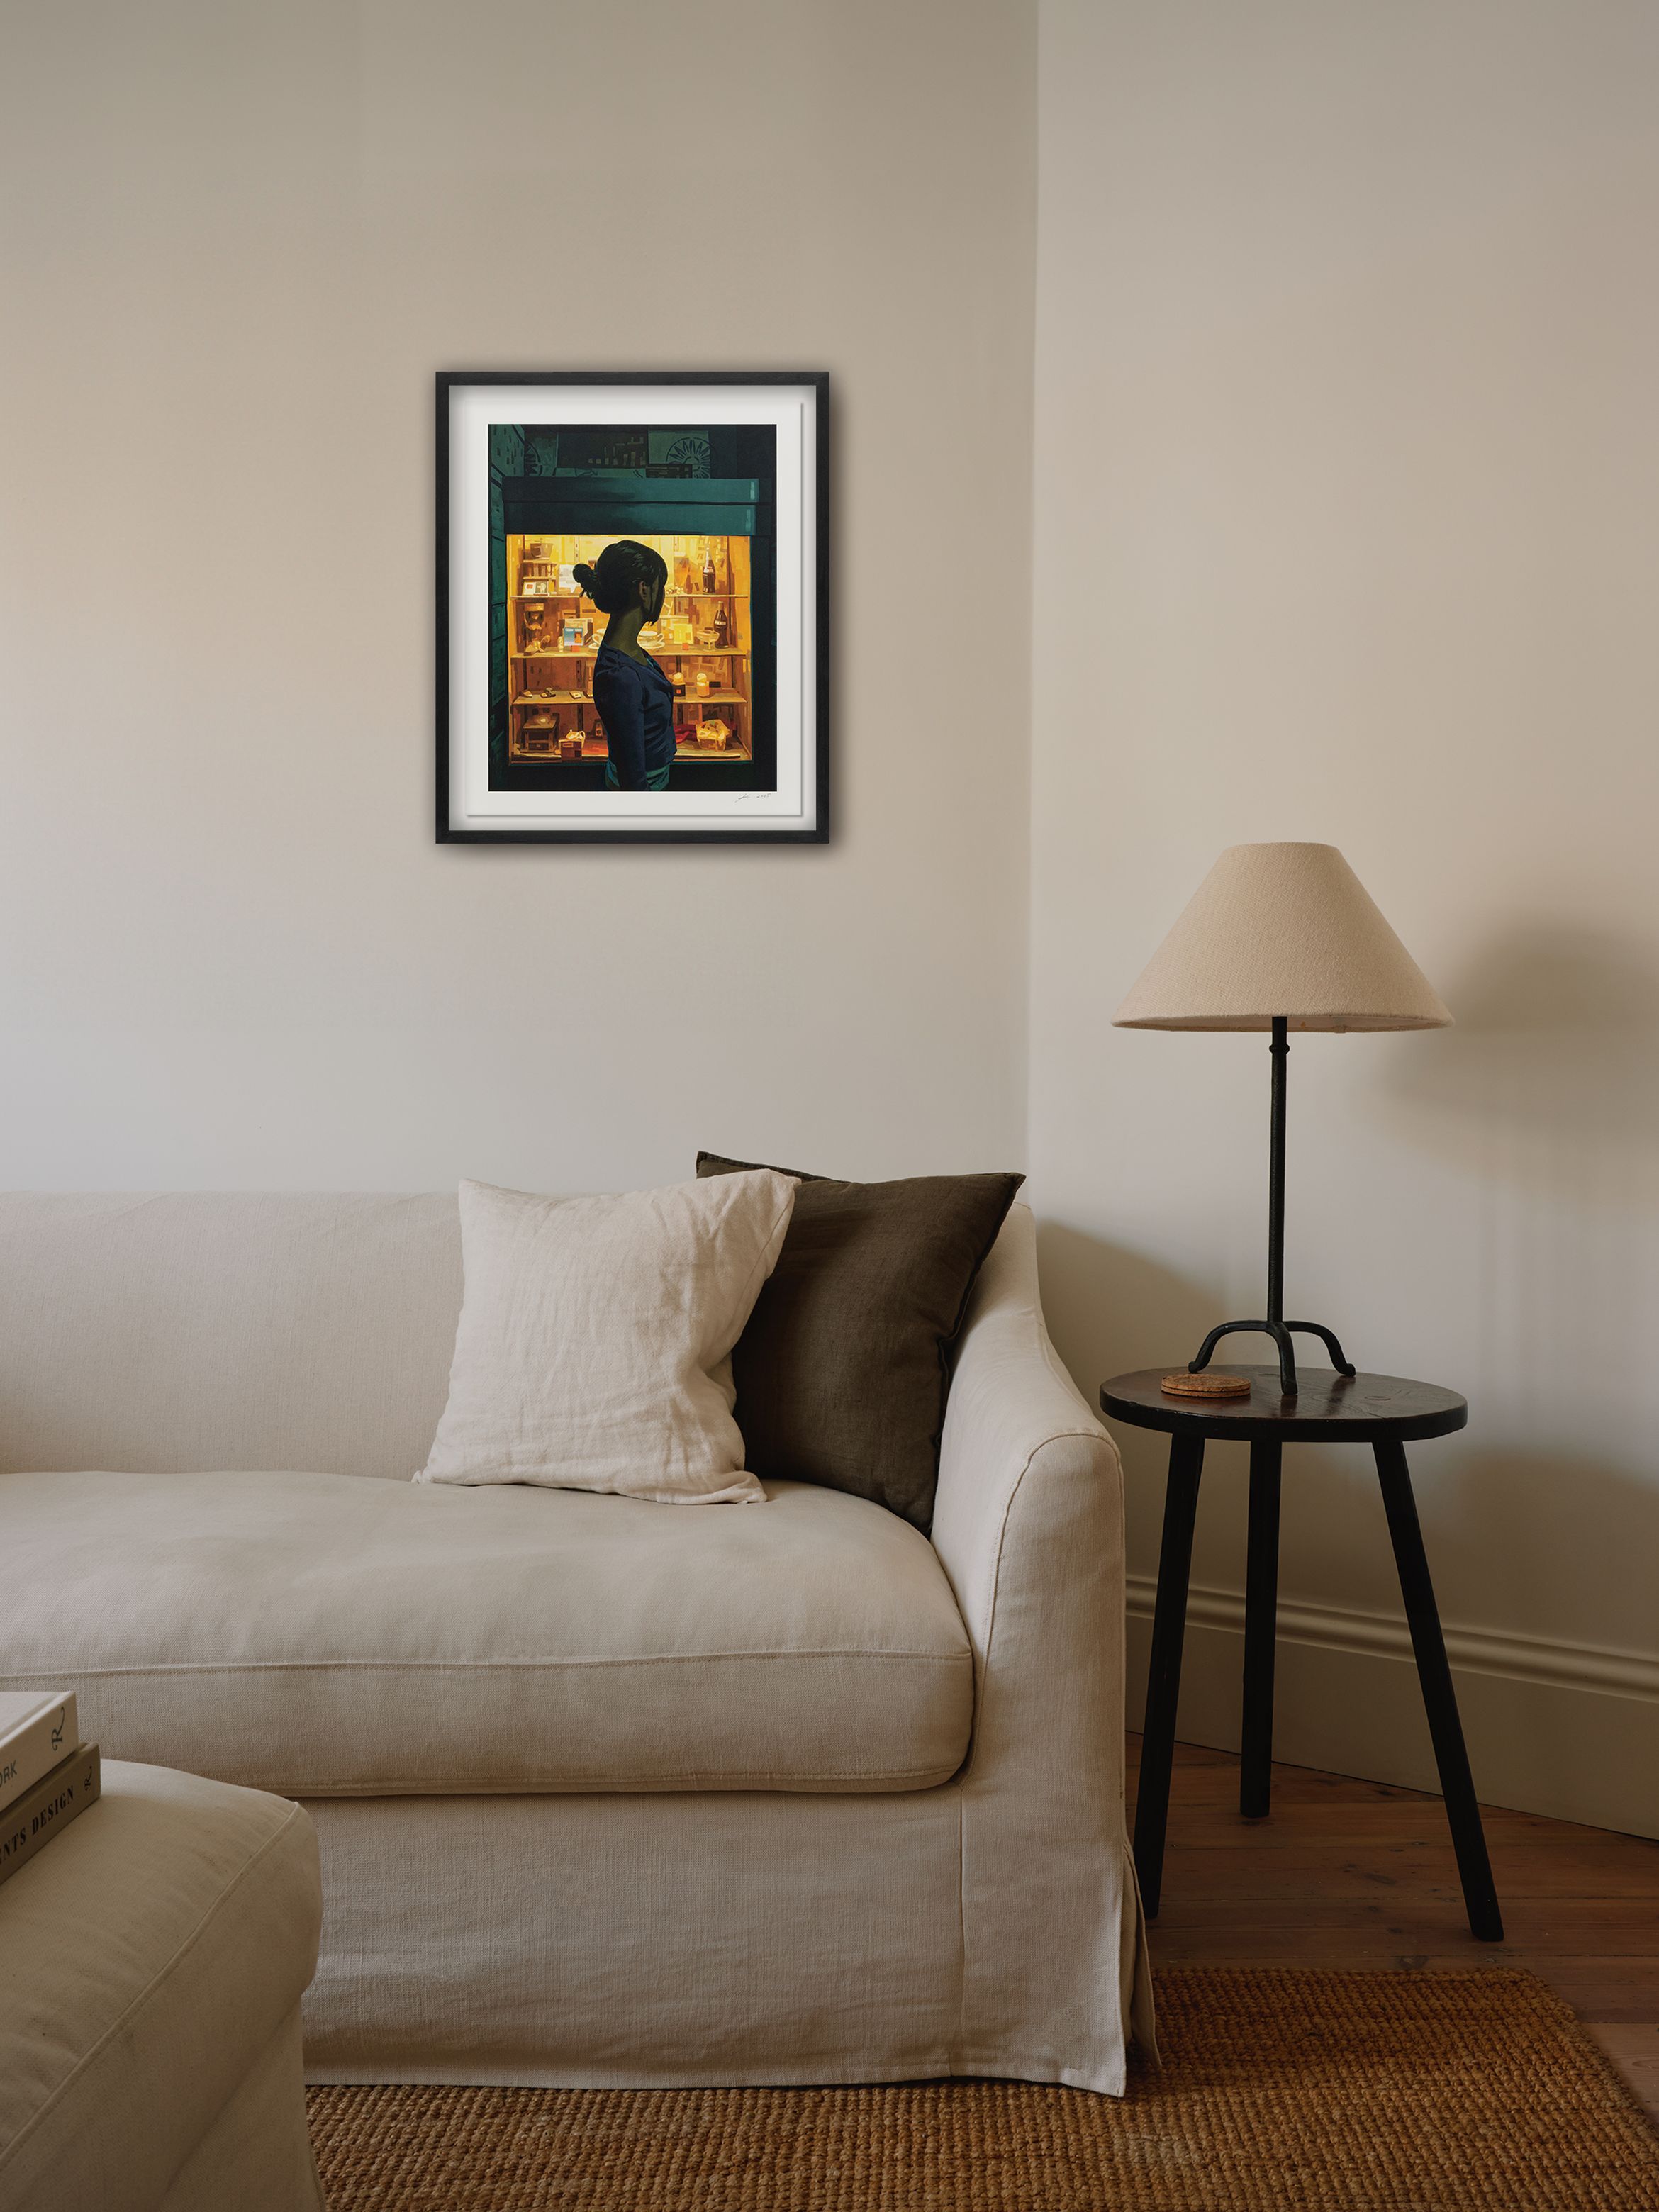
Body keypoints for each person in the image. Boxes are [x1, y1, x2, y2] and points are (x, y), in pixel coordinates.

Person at [574, 540, 674, 791]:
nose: (662, 594)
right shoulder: (621, 676)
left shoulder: (628, 654)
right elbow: (632, 779)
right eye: (659, 586)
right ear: (643, 589)